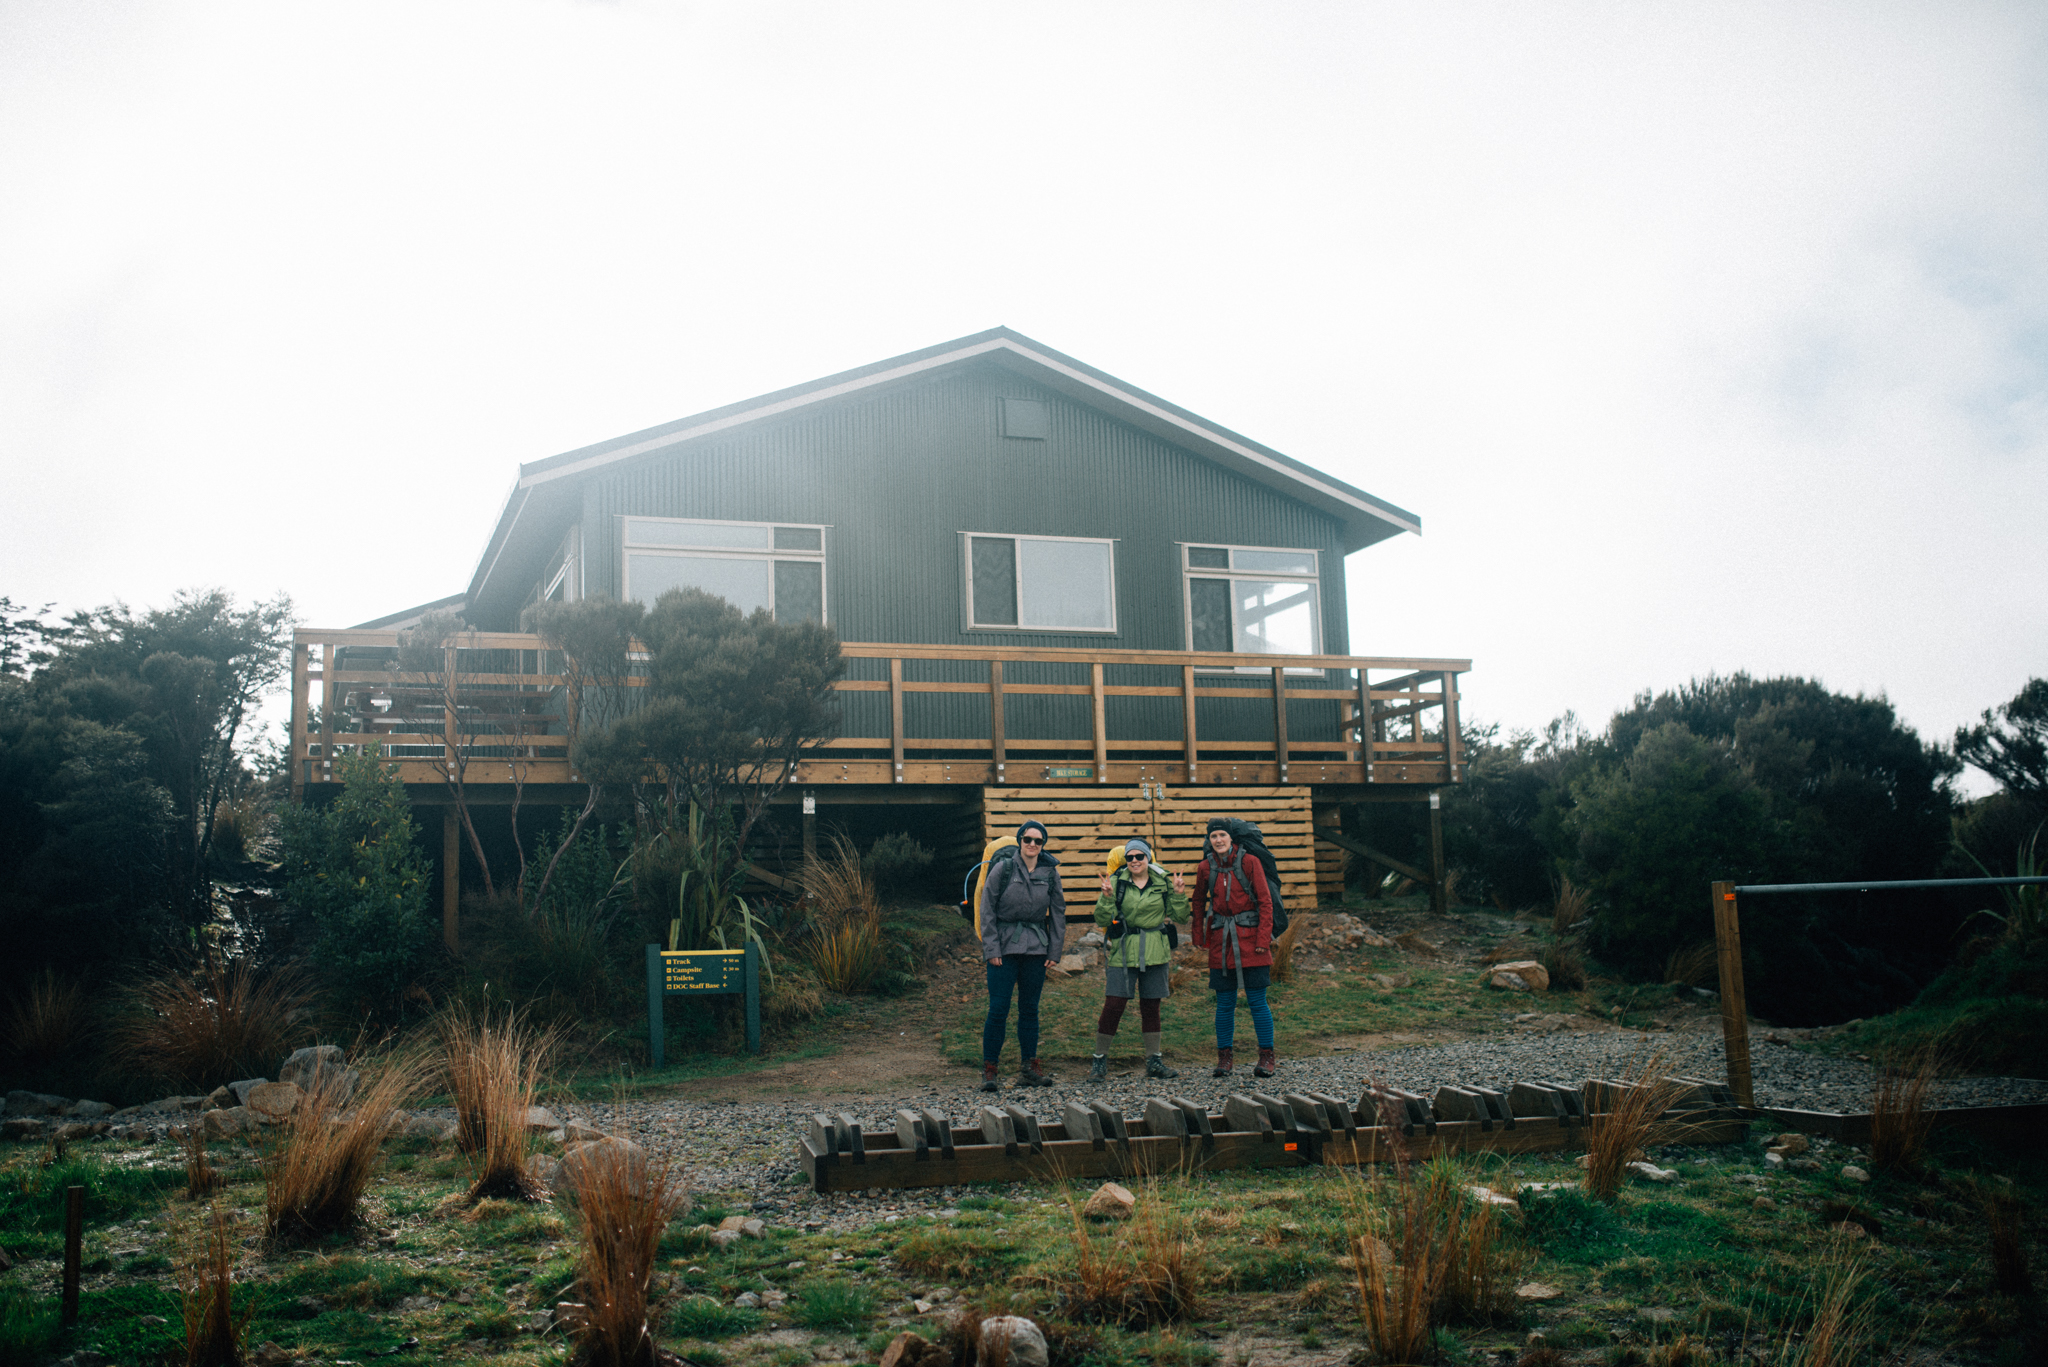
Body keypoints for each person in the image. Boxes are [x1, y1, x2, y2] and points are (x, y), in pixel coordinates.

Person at [1089, 838, 1190, 1082]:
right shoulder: (1116, 883)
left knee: (1151, 1006)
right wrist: (1106, 898)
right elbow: (1102, 919)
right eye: (1130, 857)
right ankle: (1099, 1061)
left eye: (1139, 856)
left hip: (1155, 949)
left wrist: (1178, 894)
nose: (1134, 861)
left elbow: (1181, 916)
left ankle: (1154, 1061)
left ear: (1148, 858)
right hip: (1124, 950)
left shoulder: (1163, 883)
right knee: (1114, 1004)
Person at [978, 819, 1065, 1091]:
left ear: (1043, 845)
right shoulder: (1003, 869)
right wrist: (991, 949)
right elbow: (987, 909)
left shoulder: (1050, 873)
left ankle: (1030, 1067)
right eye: (1027, 839)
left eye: (1038, 841)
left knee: (1029, 1010)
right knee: (998, 1009)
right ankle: (990, 1069)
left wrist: (1054, 950)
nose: (1032, 845)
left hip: (1035, 950)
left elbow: (1058, 913)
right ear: (1020, 841)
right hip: (1003, 950)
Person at [1191, 817, 1276, 1078]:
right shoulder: (1205, 867)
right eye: (1213, 836)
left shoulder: (1250, 862)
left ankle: (1266, 1058)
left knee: (1257, 1002)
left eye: (1222, 836)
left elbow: (1265, 901)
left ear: (1231, 838)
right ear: (1209, 840)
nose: (1218, 840)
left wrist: (1263, 940)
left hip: (1252, 941)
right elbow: (1197, 902)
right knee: (1224, 1003)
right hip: (1221, 942)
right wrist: (1199, 937)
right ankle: (1224, 1059)